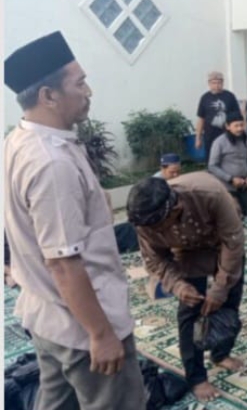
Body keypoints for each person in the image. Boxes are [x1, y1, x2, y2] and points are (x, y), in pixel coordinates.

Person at [4, 31, 144, 409]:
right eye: (80, 83)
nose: (89, 92)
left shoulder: (20, 139)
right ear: (48, 96)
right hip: (82, 327)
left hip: (46, 315)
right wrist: (101, 334)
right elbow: (63, 263)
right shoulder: (52, 163)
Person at [127, 172, 245, 402]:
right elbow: (155, 260)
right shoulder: (145, 219)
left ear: (175, 209)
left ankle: (221, 354)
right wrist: (179, 286)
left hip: (222, 243)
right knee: (189, 313)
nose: (155, 232)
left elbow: (233, 243)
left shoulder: (210, 194)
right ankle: (196, 377)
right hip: (186, 251)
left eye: (159, 227)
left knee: (229, 301)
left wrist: (220, 288)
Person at [208, 111, 247, 223]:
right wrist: (231, 179)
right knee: (235, 214)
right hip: (226, 185)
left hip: (244, 184)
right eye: (236, 126)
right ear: (227, 126)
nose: (240, 129)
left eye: (242, 125)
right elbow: (212, 166)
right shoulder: (219, 142)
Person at [195, 71, 241, 161]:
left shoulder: (230, 96)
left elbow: (237, 117)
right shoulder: (205, 98)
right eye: (214, 83)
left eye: (219, 83)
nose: (216, 85)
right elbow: (201, 119)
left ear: (223, 83)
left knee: (228, 159)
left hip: (227, 135)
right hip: (210, 136)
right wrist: (198, 138)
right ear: (209, 84)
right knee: (212, 160)